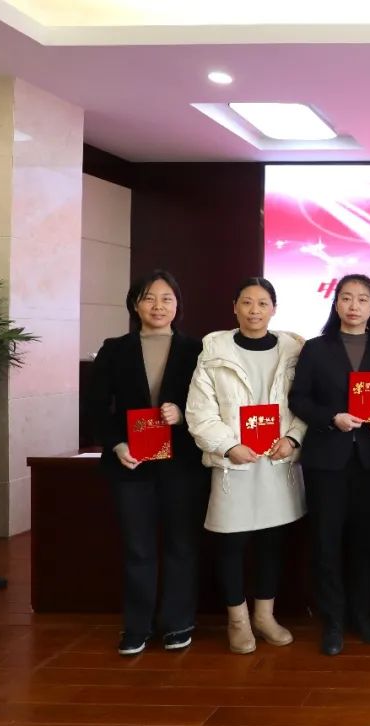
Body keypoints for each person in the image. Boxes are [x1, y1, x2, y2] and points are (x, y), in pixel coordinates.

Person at [86, 270, 208, 655]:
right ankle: (137, 626)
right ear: (135, 305)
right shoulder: (114, 349)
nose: (158, 306)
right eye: (149, 298)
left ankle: (177, 622)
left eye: (166, 298)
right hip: (131, 462)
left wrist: (183, 415)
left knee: (181, 545)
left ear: (177, 305)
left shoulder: (197, 350)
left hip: (182, 463)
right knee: (138, 547)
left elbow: (212, 403)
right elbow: (95, 407)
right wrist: (116, 444)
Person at [186, 277, 307, 655]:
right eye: (247, 302)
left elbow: (305, 402)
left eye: (263, 303)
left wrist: (293, 438)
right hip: (234, 463)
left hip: (276, 461)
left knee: (272, 543)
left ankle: (264, 616)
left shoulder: (293, 350)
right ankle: (237, 621)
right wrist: (228, 445)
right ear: (234, 307)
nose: (255, 311)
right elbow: (199, 411)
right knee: (231, 543)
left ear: (274, 309)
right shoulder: (214, 351)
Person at [289, 274, 370, 656]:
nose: (354, 305)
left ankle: (362, 617)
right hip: (326, 461)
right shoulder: (316, 349)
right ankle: (332, 622)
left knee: (366, 543)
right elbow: (299, 399)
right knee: (326, 541)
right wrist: (332, 417)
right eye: (346, 298)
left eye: (362, 299)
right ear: (335, 304)